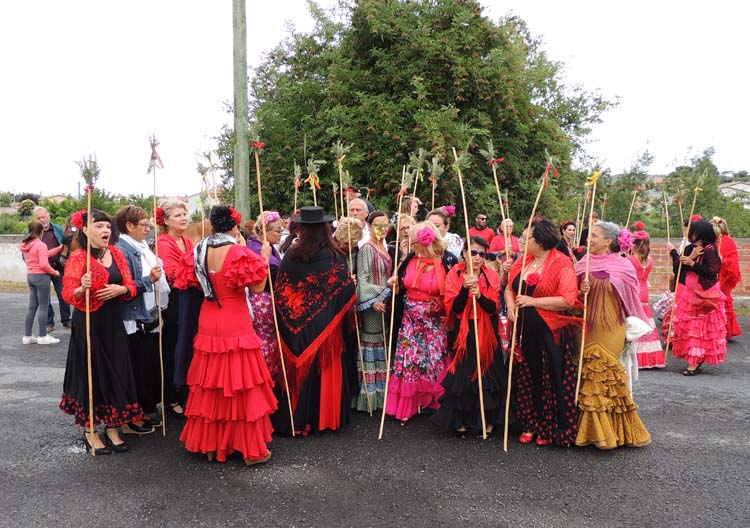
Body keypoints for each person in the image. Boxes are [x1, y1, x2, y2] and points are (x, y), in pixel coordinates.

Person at [179, 205, 277, 464]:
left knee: (212, 382)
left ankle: (211, 445)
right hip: (234, 318)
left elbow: (188, 282)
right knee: (240, 383)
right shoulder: (238, 251)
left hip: (209, 317)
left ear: (212, 225)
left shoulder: (198, 249)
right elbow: (257, 288)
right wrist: (264, 258)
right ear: (234, 226)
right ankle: (249, 449)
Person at [59, 208, 142, 455]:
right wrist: (80, 288)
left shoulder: (116, 253)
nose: (105, 230)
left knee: (118, 369)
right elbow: (67, 294)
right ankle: (91, 430)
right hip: (88, 323)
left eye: (107, 226)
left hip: (113, 322)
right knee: (91, 373)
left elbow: (130, 285)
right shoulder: (78, 258)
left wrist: (122, 290)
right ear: (85, 230)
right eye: (99, 226)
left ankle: (113, 427)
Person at [273, 206, 357, 434]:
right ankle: (322, 419)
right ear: (325, 228)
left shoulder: (291, 255)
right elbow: (344, 289)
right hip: (326, 331)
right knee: (324, 369)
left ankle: (294, 420)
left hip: (294, 324)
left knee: (298, 373)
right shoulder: (334, 256)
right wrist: (351, 285)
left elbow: (281, 289)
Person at [504, 219, 581, 446]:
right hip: (524, 332)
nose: (520, 240)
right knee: (528, 377)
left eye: (525, 237)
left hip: (550, 332)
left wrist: (532, 301)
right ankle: (530, 423)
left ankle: (550, 428)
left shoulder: (562, 262)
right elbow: (509, 287)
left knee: (551, 379)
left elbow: (567, 299)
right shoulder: (523, 261)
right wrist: (510, 304)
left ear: (540, 241)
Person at [575, 221, 651, 449]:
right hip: (586, 325)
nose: (589, 239)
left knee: (604, 373)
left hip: (611, 326)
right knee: (586, 375)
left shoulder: (624, 266)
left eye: (594, 236)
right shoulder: (581, 263)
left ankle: (607, 433)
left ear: (608, 241)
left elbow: (630, 299)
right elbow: (571, 296)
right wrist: (581, 290)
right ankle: (589, 429)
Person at [432, 236, 506, 436]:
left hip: (487, 329)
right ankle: (462, 419)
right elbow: (454, 308)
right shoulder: (454, 274)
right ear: (464, 253)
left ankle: (487, 420)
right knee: (464, 373)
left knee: (488, 372)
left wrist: (479, 295)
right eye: (473, 252)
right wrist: (465, 290)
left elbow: (494, 308)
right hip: (463, 330)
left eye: (482, 254)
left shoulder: (491, 275)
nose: (478, 257)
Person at [386, 222, 449, 425]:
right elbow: (401, 288)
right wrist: (394, 285)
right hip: (410, 320)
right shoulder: (410, 259)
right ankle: (409, 405)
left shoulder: (446, 260)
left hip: (435, 321)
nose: (410, 244)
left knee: (434, 360)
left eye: (413, 241)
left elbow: (452, 291)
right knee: (410, 361)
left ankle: (436, 403)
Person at [115, 206, 170, 433]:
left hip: (147, 313)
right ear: (129, 226)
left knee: (146, 365)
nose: (148, 229)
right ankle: (132, 415)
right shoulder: (123, 249)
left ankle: (142, 410)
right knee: (136, 367)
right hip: (134, 315)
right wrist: (149, 279)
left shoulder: (142, 247)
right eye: (144, 224)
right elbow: (126, 287)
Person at [667, 219, 727, 375]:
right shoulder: (689, 248)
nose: (689, 234)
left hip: (704, 294)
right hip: (689, 292)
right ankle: (693, 357)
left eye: (692, 231)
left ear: (699, 233)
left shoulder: (710, 250)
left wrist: (692, 264)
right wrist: (688, 257)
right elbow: (678, 268)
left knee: (699, 328)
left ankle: (694, 362)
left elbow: (712, 271)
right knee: (689, 328)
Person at [155, 200, 192, 417]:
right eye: (178, 215)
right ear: (166, 220)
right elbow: (171, 272)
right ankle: (170, 396)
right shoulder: (163, 242)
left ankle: (183, 391)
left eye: (185, 213)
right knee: (172, 347)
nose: (183, 217)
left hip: (187, 297)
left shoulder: (187, 240)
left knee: (185, 345)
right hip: (173, 300)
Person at [355, 211, 392, 411]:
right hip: (372, 304)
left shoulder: (384, 247)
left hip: (385, 301)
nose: (382, 229)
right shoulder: (367, 249)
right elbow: (362, 279)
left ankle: (381, 391)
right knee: (372, 342)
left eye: (385, 225)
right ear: (369, 226)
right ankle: (369, 395)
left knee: (382, 343)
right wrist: (373, 300)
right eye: (377, 225)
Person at [246, 211, 284, 386]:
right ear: (265, 230)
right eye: (277, 230)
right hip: (261, 299)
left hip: (270, 297)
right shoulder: (256, 249)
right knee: (265, 340)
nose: (280, 233)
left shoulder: (270, 247)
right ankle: (263, 379)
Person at [626, 228, 665, 369]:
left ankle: (636, 355)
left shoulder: (630, 259)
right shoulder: (650, 260)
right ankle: (650, 355)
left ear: (634, 245)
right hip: (644, 290)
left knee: (634, 319)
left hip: (634, 289)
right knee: (646, 319)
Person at [20, 220, 61, 344]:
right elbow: (43, 263)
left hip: (31, 276)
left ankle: (27, 336)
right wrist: (54, 272)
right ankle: (43, 336)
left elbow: (43, 254)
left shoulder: (27, 244)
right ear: (41, 231)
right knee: (43, 308)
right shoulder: (40, 244)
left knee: (31, 307)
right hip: (41, 277)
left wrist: (58, 249)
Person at [33, 206, 70, 332]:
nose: (42, 220)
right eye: (39, 218)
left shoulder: (59, 229)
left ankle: (66, 320)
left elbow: (67, 244)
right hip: (41, 271)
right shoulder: (32, 233)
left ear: (48, 216)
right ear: (35, 219)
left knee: (64, 295)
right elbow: (26, 253)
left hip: (58, 268)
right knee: (44, 298)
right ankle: (49, 323)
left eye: (43, 217)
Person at [710, 217, 743, 340]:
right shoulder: (711, 241)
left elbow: (733, 261)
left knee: (723, 300)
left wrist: (723, 260)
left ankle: (725, 329)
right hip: (713, 274)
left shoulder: (728, 241)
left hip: (725, 276)